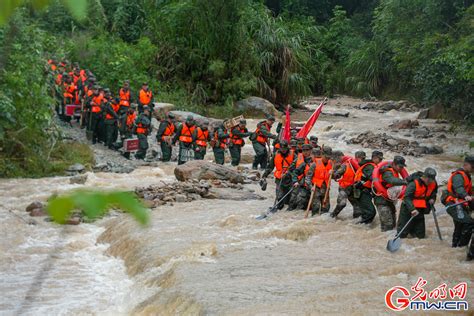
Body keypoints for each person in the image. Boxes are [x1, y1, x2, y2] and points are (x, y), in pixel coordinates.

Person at [397, 168, 438, 239]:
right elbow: (407, 197)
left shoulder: (433, 183)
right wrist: (412, 209)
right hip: (408, 208)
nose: (430, 182)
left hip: (421, 209)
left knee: (420, 236)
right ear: (424, 177)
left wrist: (432, 198)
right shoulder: (413, 184)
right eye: (428, 180)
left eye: (431, 180)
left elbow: (433, 193)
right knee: (402, 234)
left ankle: (414, 234)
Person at [443, 156, 473, 249]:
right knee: (469, 223)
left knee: (459, 225)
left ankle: (455, 246)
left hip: (461, 204)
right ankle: (462, 247)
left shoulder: (467, 175)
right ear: (466, 165)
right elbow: (459, 188)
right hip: (453, 204)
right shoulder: (458, 176)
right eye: (473, 166)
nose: (473, 169)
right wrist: (466, 196)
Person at [373, 155, 408, 232]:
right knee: (387, 225)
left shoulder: (395, 171)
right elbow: (391, 180)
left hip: (389, 201)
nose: (402, 169)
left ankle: (388, 239)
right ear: (394, 164)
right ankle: (383, 242)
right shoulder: (387, 172)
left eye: (403, 167)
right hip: (381, 201)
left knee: (393, 224)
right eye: (400, 167)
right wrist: (405, 182)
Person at [331, 151, 366, 219]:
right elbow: (337, 175)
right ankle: (332, 216)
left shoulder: (349, 165)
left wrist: (333, 175)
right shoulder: (347, 165)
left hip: (353, 188)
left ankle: (356, 221)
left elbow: (336, 176)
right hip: (344, 188)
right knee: (342, 203)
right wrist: (332, 174)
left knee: (357, 207)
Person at [262, 140, 295, 209]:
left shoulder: (293, 155)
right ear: (279, 148)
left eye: (285, 148)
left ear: (287, 148)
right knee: (279, 197)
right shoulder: (276, 154)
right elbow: (270, 166)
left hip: (290, 178)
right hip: (279, 178)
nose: (283, 150)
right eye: (282, 148)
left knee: (289, 199)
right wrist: (265, 175)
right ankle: (279, 208)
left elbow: (298, 167)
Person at [353, 150, 383, 225]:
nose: (381, 161)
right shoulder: (369, 166)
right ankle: (361, 226)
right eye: (380, 159)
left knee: (367, 212)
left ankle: (362, 226)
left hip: (363, 191)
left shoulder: (370, 166)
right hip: (362, 192)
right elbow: (372, 177)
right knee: (371, 212)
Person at [306, 146, 333, 215]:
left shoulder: (331, 164)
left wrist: (333, 173)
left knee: (326, 208)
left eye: (329, 157)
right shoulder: (314, 164)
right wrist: (310, 187)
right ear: (322, 154)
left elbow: (336, 177)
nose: (327, 159)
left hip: (326, 189)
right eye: (326, 157)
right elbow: (308, 177)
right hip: (316, 188)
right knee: (316, 207)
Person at [287, 144, 313, 211]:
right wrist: (294, 180)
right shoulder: (298, 159)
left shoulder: (314, 160)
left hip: (311, 184)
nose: (305, 152)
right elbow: (290, 170)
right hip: (298, 182)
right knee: (293, 198)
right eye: (303, 150)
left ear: (311, 151)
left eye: (307, 150)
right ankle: (290, 211)